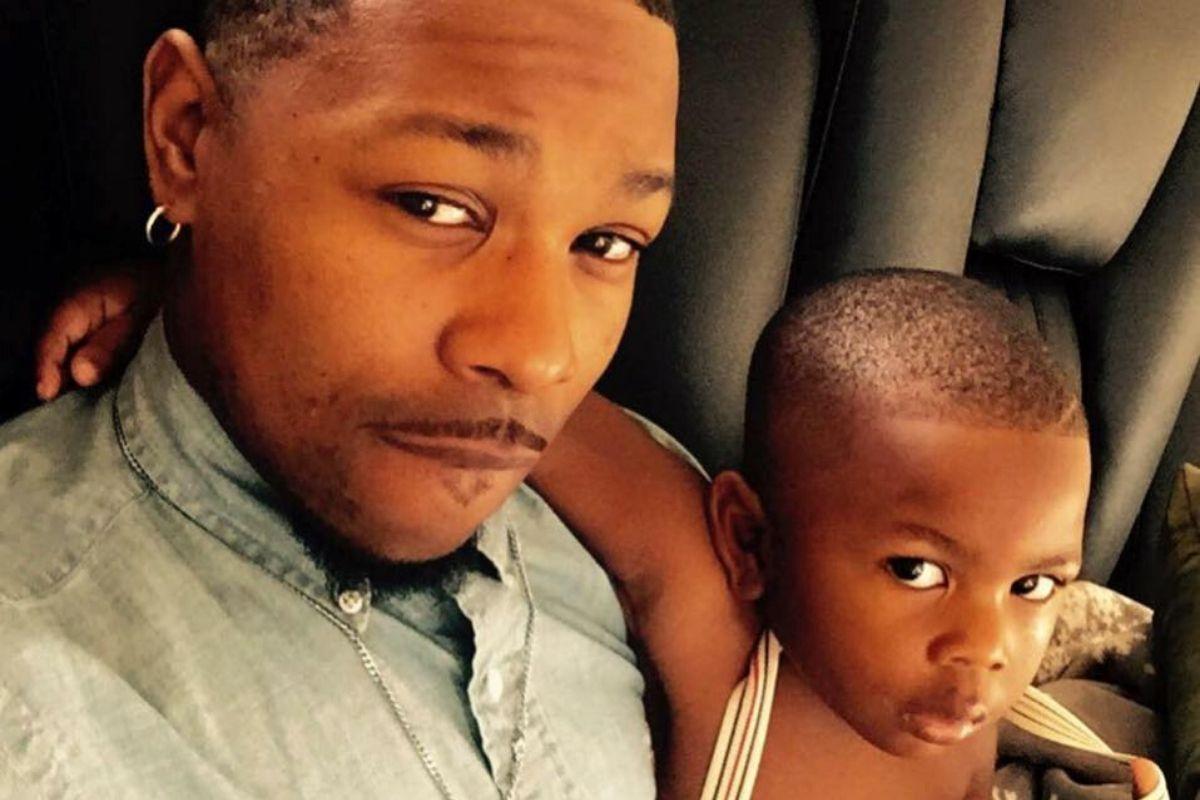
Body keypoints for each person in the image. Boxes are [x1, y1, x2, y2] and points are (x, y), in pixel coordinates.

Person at [34, 268, 1168, 800]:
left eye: (1034, 585)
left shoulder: (968, 695)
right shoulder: (723, 636)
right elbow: (521, 408)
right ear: (751, 538)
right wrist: (208, 304)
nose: (986, 646)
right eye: (917, 570)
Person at [0, 1, 678, 797]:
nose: (541, 358)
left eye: (606, 243)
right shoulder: (34, 702)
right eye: (431, 205)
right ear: (186, 137)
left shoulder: (645, 522)